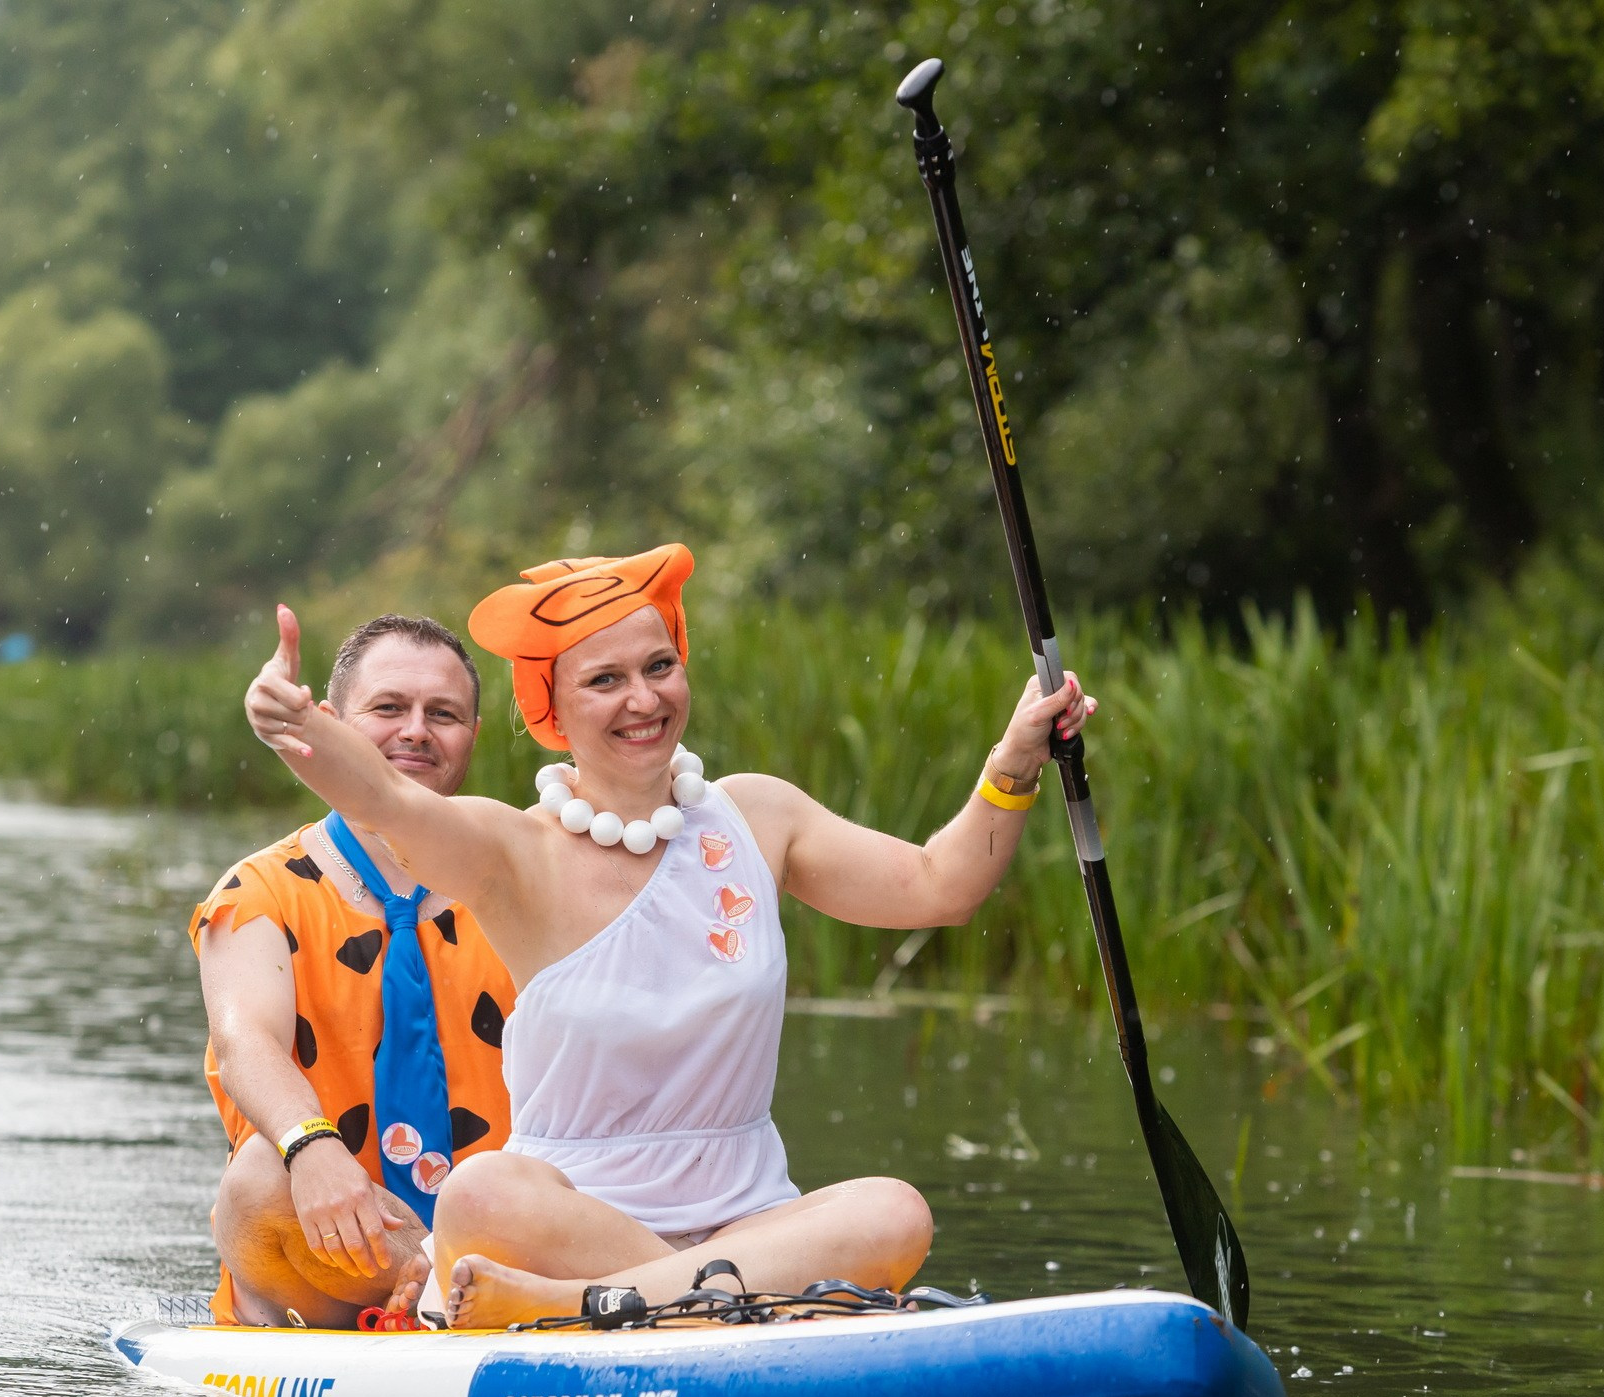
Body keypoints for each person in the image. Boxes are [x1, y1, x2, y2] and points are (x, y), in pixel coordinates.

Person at [244, 544, 1095, 1329]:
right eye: (605, 680)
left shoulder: (759, 815)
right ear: (549, 708)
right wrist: (298, 725)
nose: (644, 699)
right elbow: (387, 801)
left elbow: (942, 886)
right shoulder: (513, 849)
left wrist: (1015, 758)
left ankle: (598, 1306)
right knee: (480, 1191)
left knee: (895, 1210)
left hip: (749, 1221)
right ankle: (766, 1308)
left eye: (660, 666)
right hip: (568, 1224)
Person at [193, 615, 518, 1327]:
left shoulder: (521, 881)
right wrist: (311, 1146)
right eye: (389, 707)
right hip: (327, 1257)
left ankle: (471, 1286)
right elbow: (246, 1041)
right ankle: (440, 1289)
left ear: (474, 733)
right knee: (259, 1178)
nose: (416, 731)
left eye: (443, 714)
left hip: (509, 1237)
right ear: (333, 723)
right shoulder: (256, 891)